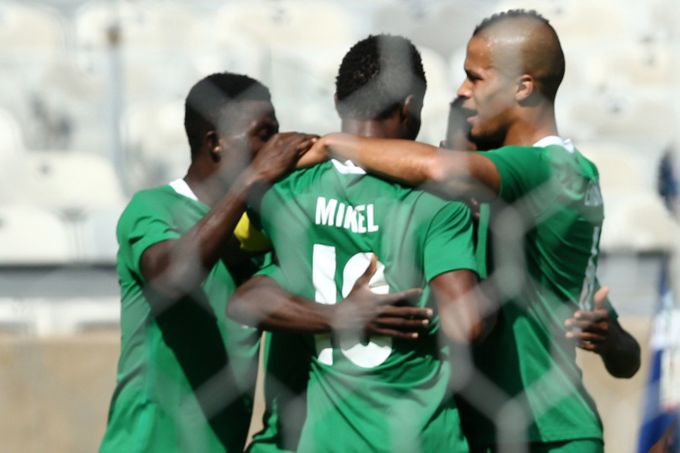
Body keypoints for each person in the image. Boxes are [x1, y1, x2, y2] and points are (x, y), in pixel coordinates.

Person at [309, 10, 641, 452]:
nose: (464, 90)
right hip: (479, 434)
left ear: (523, 86)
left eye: (476, 78)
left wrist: (334, 143)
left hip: (549, 435)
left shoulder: (559, 171)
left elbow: (440, 168)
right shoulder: (510, 216)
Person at [229, 34, 487, 452]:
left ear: (337, 102)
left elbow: (248, 295)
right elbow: (468, 324)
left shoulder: (284, 194)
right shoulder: (435, 202)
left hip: (327, 439)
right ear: (409, 108)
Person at [98, 72, 319, 453]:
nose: (274, 149)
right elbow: (171, 276)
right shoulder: (153, 208)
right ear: (216, 143)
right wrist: (251, 179)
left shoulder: (262, 232)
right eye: (263, 134)